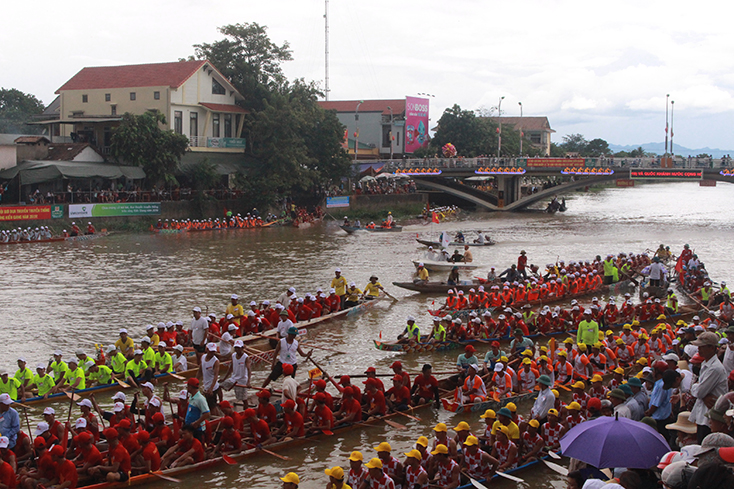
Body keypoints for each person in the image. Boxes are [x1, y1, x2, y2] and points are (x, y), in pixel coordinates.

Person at [688, 332, 728, 443]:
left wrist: (698, 390)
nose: (699, 349)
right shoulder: (706, 365)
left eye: (702, 347)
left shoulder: (714, 368)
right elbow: (698, 390)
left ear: (711, 348)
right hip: (703, 416)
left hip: (709, 419)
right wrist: (699, 391)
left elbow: (700, 392)